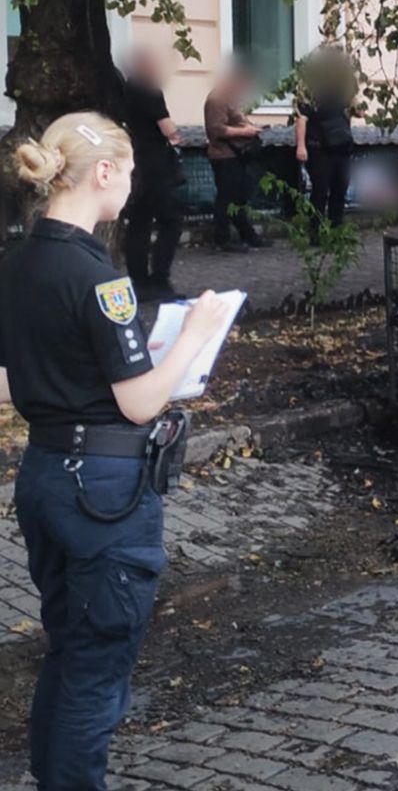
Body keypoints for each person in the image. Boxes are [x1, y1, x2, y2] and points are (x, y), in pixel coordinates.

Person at [0, 112, 227, 791]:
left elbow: (9, 382)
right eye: (128, 174)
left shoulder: (15, 262)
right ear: (104, 174)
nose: (130, 188)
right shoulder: (101, 278)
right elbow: (137, 403)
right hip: (102, 493)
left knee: (71, 651)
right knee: (96, 668)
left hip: (43, 475)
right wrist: (194, 334)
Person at [118, 49, 185, 301]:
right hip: (156, 166)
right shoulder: (151, 92)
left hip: (135, 164)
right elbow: (168, 130)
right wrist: (176, 134)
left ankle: (139, 280)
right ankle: (159, 278)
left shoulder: (125, 90)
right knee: (171, 221)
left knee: (139, 223)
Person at [202, 58, 268, 252]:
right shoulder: (217, 99)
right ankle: (222, 238)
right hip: (224, 156)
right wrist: (245, 132)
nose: (245, 87)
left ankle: (247, 235)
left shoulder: (231, 98)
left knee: (238, 198)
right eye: (243, 83)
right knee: (226, 198)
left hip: (236, 155)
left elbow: (235, 122)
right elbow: (216, 129)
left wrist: (250, 128)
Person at [294, 45, 357, 235]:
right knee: (320, 192)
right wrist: (301, 146)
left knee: (339, 191)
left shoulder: (345, 85)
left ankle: (336, 232)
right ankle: (316, 232)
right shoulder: (312, 86)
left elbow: (356, 110)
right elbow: (301, 118)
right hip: (319, 148)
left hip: (342, 147)